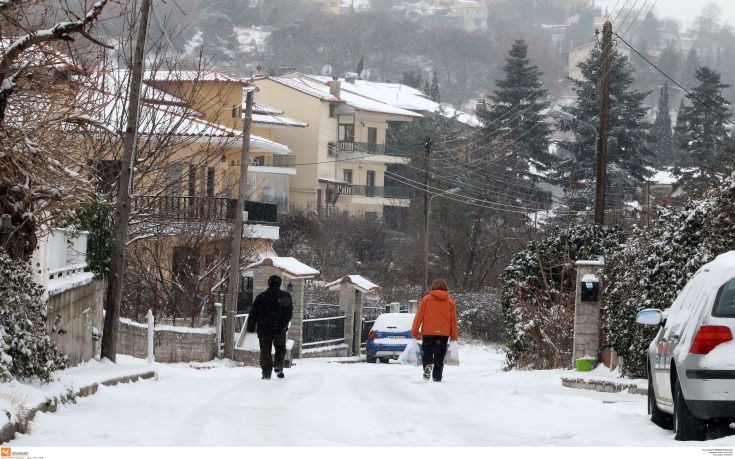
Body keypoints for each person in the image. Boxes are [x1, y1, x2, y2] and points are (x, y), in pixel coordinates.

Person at [245, 274, 293, 380]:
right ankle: (278, 365)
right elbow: (289, 313)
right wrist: (284, 325)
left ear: (269, 283)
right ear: (280, 284)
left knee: (265, 351)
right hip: (279, 329)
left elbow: (253, 313)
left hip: (264, 329)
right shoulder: (285, 296)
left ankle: (266, 373)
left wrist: (251, 326)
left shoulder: (261, 297)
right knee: (280, 348)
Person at [411, 278, 458, 382]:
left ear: (433, 287)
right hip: (443, 334)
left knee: (427, 352)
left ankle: (427, 366)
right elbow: (453, 321)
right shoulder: (450, 302)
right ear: (445, 288)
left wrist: (415, 332)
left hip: (428, 332)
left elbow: (419, 317)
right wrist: (454, 336)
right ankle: (437, 377)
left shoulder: (426, 300)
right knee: (439, 356)